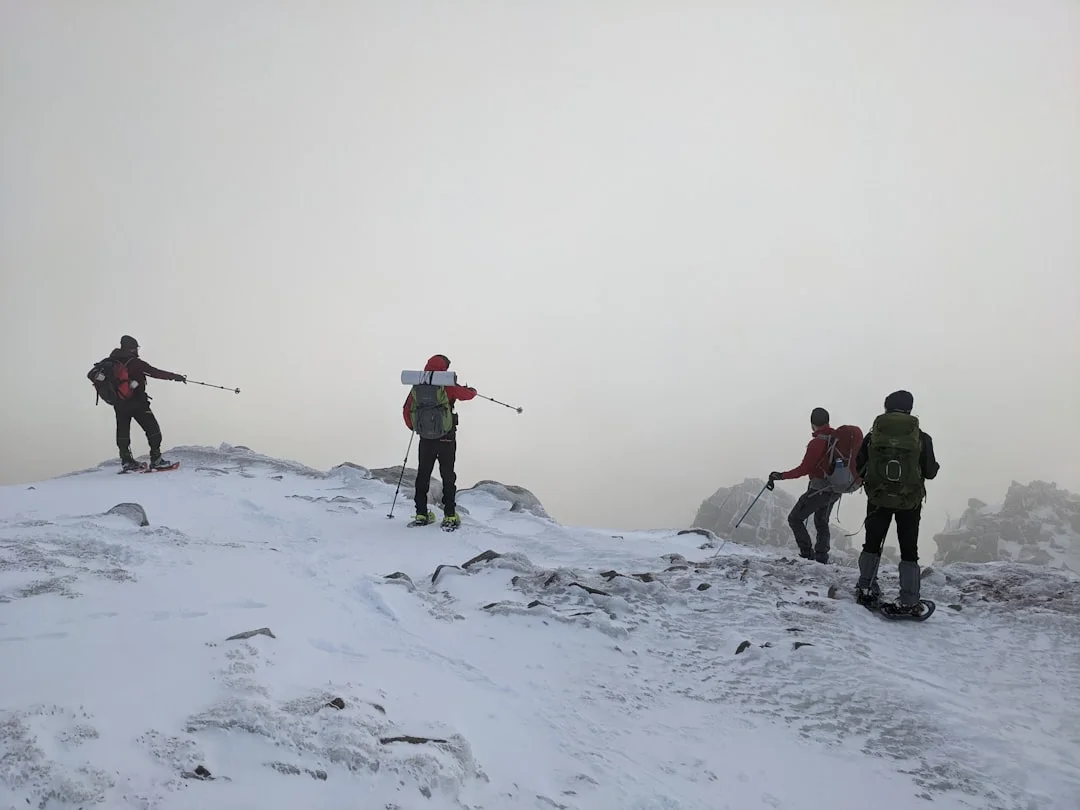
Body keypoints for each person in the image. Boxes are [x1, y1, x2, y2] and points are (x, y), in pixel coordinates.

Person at [854, 390, 940, 617]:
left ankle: (866, 587)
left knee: (872, 542)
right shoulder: (922, 438)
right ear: (910, 409)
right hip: (909, 500)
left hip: (878, 497)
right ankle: (909, 600)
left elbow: (859, 466)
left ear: (886, 408)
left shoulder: (873, 436)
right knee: (909, 547)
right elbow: (930, 472)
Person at [401, 354, 477, 528]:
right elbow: (467, 395)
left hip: (425, 439)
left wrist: (416, 428)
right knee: (448, 475)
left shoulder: (418, 386)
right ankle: (449, 515)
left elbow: (407, 410)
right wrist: (472, 390)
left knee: (423, 475)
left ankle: (421, 513)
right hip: (446, 438)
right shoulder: (446, 384)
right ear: (444, 367)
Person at [767, 407, 840, 563]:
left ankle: (807, 554)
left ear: (812, 424)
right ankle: (821, 557)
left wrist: (781, 476)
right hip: (835, 489)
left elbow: (803, 469)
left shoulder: (817, 443)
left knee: (795, 518)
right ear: (827, 421)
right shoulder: (836, 440)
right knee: (821, 521)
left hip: (819, 490)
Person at [108, 335, 187, 471]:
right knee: (153, 430)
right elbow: (154, 372)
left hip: (119, 403)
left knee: (123, 432)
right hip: (138, 402)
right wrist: (176, 377)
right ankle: (156, 460)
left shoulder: (111, 362)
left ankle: (127, 461)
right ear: (132, 348)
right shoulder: (135, 363)